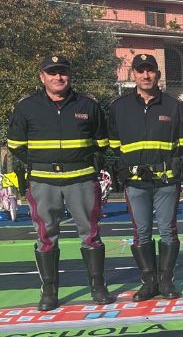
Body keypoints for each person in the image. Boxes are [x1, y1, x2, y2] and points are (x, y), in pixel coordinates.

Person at [7, 54, 114, 309]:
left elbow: (102, 143)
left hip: (81, 180)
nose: (58, 77)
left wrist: (86, 162)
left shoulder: (88, 105)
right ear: (42, 77)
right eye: (52, 72)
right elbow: (15, 145)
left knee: (91, 234)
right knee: (46, 236)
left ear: (70, 75)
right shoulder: (27, 107)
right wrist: (40, 162)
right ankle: (49, 292)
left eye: (62, 72)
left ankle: (98, 287)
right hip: (43, 182)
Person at [108, 53, 183, 301]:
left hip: (166, 181)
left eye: (150, 70)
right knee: (141, 232)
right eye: (140, 70)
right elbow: (113, 146)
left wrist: (178, 166)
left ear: (158, 74)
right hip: (135, 183)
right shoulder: (118, 107)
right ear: (133, 74)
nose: (145, 75)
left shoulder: (174, 106)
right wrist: (122, 169)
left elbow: (181, 145)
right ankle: (149, 282)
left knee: (168, 230)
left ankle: (166, 281)